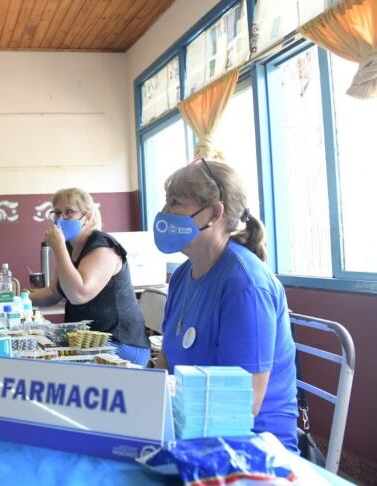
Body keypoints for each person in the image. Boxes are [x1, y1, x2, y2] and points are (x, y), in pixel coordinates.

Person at [153, 158, 298, 452]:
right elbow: (166, 364)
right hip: (190, 432)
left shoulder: (245, 285)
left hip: (251, 448)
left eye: (175, 202)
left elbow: (245, 405)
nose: (164, 212)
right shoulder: (182, 275)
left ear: (214, 213)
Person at [30, 188, 150, 366]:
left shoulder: (104, 248)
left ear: (87, 217)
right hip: (86, 342)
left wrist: (59, 248)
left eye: (69, 212)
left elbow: (79, 295)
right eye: (56, 213)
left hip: (119, 343)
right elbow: (54, 292)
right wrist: (16, 299)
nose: (61, 218)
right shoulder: (69, 248)